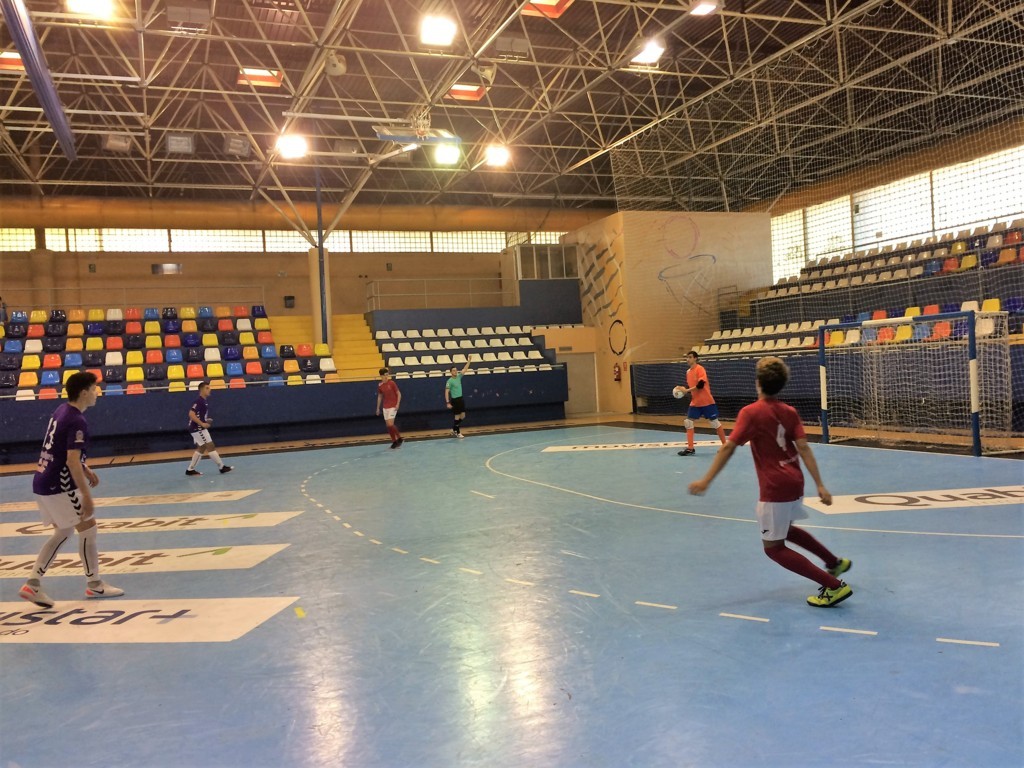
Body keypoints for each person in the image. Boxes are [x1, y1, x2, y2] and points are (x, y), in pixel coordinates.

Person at [688, 356, 853, 608]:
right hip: (795, 481)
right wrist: (820, 484)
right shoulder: (790, 412)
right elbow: (804, 448)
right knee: (787, 530)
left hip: (774, 487)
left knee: (774, 548)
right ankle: (834, 563)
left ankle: (833, 586)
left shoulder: (751, 413)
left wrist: (706, 480)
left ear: (758, 383)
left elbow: (728, 447)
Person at [19, 371, 123, 608]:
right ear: (84, 392)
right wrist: (86, 495)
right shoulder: (77, 420)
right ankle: (94, 584)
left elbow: (59, 448)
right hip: (59, 485)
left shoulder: (61, 410)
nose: (97, 393)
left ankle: (33, 583)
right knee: (88, 528)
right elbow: (71, 460)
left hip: (42, 481)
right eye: (94, 389)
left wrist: (85, 468)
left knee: (64, 531)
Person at [676, 350, 727, 456]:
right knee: (688, 422)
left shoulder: (700, 369)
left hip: (707, 401)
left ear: (695, 358)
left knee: (715, 423)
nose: (688, 359)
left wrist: (686, 390)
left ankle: (725, 446)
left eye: (690, 357)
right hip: (695, 402)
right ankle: (690, 448)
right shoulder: (688, 372)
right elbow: (692, 387)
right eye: (687, 357)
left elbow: (700, 385)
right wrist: (682, 389)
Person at [185, 381, 233, 476]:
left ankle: (190, 469)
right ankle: (221, 467)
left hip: (197, 428)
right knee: (210, 446)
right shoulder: (199, 401)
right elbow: (191, 414)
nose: (209, 390)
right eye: (207, 388)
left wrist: (206, 420)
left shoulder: (203, 401)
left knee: (202, 447)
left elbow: (198, 415)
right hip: (198, 429)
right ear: (201, 390)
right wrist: (202, 424)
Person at [444, 356, 473, 438]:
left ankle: (454, 429)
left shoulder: (459, 377)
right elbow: (446, 392)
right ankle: (458, 432)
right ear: (451, 372)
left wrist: (469, 360)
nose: (455, 371)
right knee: (457, 416)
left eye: (456, 370)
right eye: (453, 370)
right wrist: (447, 402)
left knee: (463, 416)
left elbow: (465, 369)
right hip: (455, 400)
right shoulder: (449, 381)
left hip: (461, 399)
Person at [376, 367, 404, 449]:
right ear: (381, 376)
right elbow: (380, 396)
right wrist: (378, 408)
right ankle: (394, 441)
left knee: (390, 424)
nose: (386, 376)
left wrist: (397, 404)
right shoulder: (380, 385)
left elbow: (399, 394)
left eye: (387, 375)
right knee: (388, 426)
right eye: (385, 375)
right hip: (385, 407)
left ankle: (399, 438)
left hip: (393, 406)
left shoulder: (392, 383)